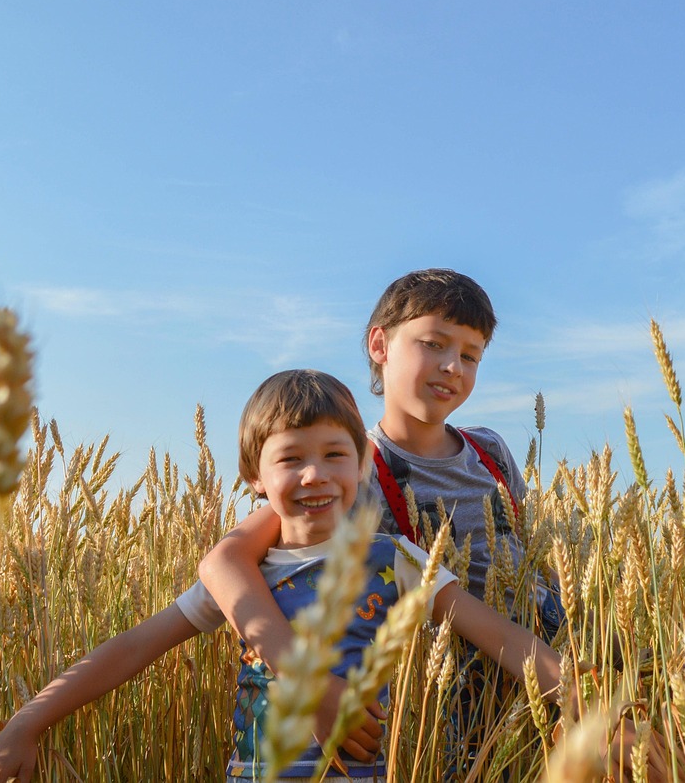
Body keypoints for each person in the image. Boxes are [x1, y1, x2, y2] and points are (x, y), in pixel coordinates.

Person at [0, 369, 563, 782]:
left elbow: (505, 640)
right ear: (253, 476)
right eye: (290, 458)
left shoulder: (399, 559)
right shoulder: (247, 580)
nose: (315, 474)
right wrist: (26, 722)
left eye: (335, 454)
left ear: (363, 464)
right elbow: (134, 648)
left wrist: (597, 707)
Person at [199, 269, 563, 764]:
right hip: (452, 704)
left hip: (543, 664)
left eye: (470, 356)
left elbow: (529, 555)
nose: (453, 366)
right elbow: (226, 560)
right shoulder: (347, 472)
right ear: (379, 344)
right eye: (434, 344)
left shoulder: (492, 450)